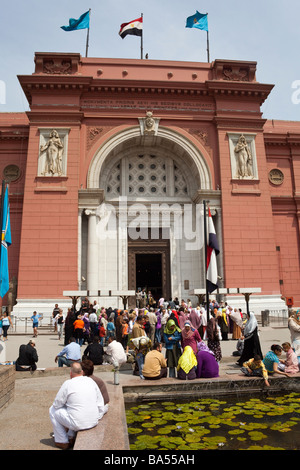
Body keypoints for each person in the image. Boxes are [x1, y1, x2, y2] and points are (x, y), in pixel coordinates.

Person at [49, 362, 106, 449]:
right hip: (94, 421)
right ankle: (70, 436)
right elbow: (100, 403)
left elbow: (57, 404)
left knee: (52, 410)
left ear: (71, 373)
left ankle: (62, 441)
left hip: (78, 423)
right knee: (74, 408)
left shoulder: (68, 383)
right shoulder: (91, 381)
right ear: (82, 372)